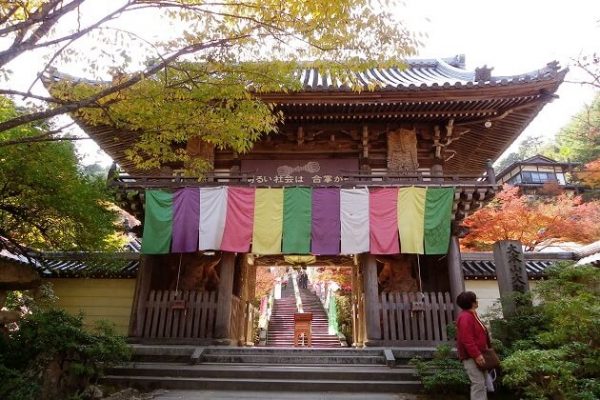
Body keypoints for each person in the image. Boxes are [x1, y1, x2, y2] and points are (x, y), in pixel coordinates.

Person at [456, 291, 490, 400]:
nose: (477, 301)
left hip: (479, 354)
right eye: (475, 299)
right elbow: (467, 339)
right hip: (472, 356)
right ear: (472, 302)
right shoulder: (466, 317)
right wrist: (476, 355)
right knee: (478, 383)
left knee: (482, 383)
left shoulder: (472, 315)